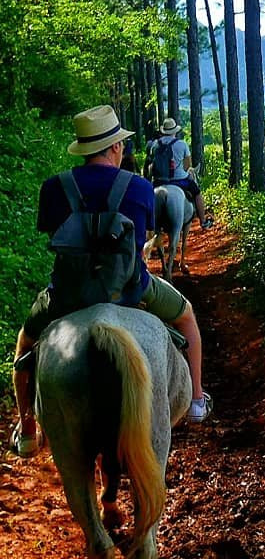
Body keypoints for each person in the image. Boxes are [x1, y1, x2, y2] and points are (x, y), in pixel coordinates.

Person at [10, 106, 212, 459]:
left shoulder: (54, 187)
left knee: (25, 343)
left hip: (67, 295)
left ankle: (28, 429)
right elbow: (146, 234)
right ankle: (196, 399)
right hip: (131, 290)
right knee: (187, 318)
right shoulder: (138, 188)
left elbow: (49, 232)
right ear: (116, 148)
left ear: (83, 149)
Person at [147, 118, 214, 230]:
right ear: (175, 131)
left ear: (163, 131)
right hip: (179, 180)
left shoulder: (155, 145)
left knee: (148, 194)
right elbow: (187, 166)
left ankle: (148, 224)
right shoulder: (182, 144)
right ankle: (203, 221)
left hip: (159, 181)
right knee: (197, 193)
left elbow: (153, 164)